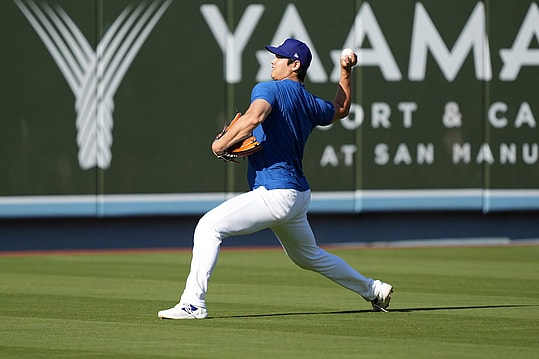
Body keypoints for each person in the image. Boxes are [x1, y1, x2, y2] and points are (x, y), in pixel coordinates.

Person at [158, 38, 393, 319]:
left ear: (294, 65)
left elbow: (254, 118)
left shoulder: (269, 88)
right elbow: (341, 109)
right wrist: (345, 70)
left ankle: (193, 304)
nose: (272, 60)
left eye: (279, 57)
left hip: (275, 191)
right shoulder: (309, 102)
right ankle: (373, 289)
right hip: (297, 196)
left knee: (208, 226)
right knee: (308, 256)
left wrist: (219, 145)